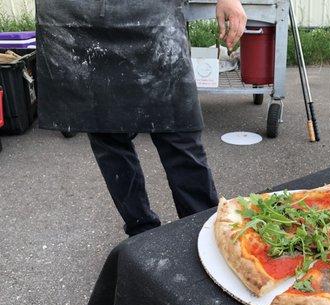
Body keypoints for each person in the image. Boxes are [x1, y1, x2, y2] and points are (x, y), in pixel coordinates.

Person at [36, 0, 247, 236]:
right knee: (108, 136)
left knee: (179, 132)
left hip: (156, 14)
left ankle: (203, 232)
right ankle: (142, 233)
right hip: (77, 15)